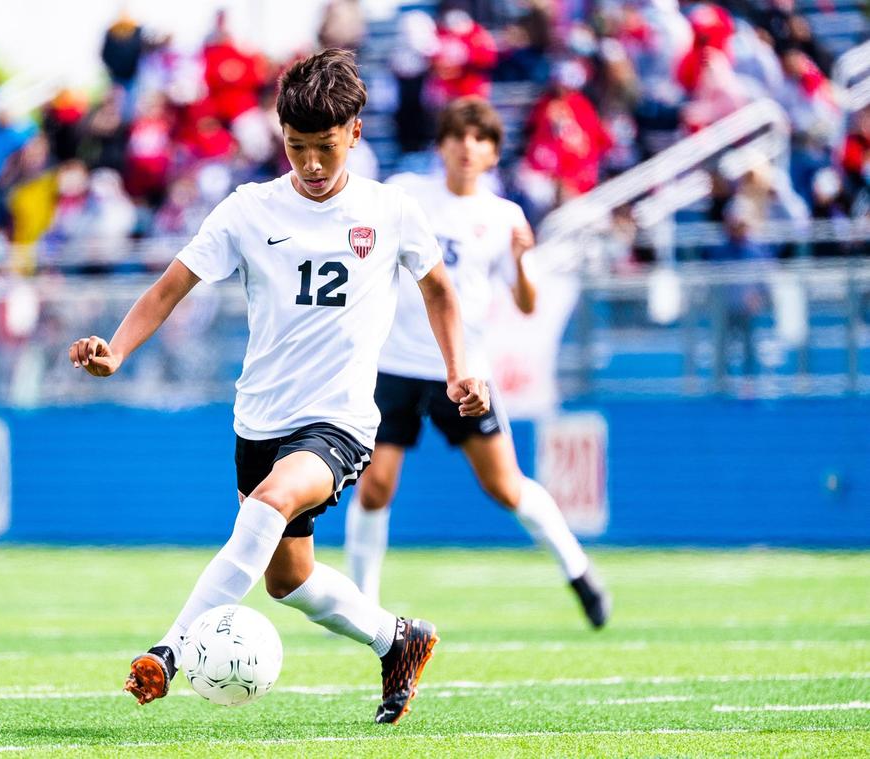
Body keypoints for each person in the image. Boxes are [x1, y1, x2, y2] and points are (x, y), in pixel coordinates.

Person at [68, 49, 489, 725]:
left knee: (267, 502)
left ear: (354, 132)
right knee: (287, 579)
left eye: (325, 147)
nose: (314, 166)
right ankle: (398, 639)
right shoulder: (248, 210)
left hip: (340, 421)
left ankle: (168, 651)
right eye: (298, 149)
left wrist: (459, 368)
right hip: (259, 420)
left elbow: (440, 290)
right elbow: (171, 285)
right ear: (280, 135)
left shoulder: (389, 209)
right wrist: (116, 349)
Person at [342, 96, 611, 629]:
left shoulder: (503, 216)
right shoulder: (405, 194)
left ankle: (579, 572)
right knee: (375, 486)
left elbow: (527, 302)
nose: (468, 147)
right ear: (440, 145)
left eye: (480, 138)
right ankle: (365, 607)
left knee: (505, 485)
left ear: (493, 153)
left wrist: (520, 260)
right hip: (395, 363)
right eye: (458, 136)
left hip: (463, 370)